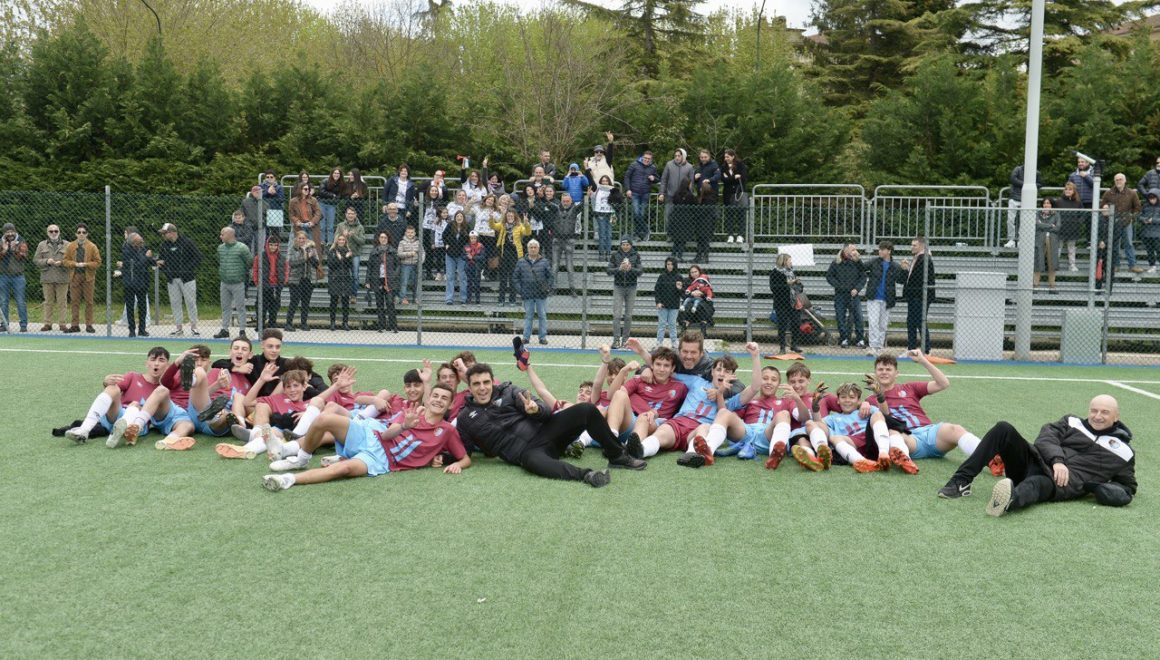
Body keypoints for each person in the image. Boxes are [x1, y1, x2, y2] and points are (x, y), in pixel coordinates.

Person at [938, 395, 1135, 517]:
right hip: (1035, 460)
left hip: (1059, 484)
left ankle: (1008, 501)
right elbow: (1047, 436)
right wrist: (1058, 460)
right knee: (1003, 429)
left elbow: (1127, 488)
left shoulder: (1124, 452)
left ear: (1116, 416)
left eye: (1105, 412)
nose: (1097, 416)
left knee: (1035, 484)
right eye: (1094, 410)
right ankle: (960, 482)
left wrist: (1096, 488)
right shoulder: (1071, 422)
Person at [456, 363, 646, 488]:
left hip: (547, 433)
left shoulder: (509, 391)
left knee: (586, 409)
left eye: (486, 382)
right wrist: (447, 458)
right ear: (469, 387)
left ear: (492, 381)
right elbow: (464, 451)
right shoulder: (465, 418)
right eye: (477, 384)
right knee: (531, 461)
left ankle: (617, 455)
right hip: (526, 453)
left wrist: (535, 410)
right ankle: (587, 475)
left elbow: (546, 412)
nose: (482, 388)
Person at [261, 384, 471, 491]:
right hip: (373, 437)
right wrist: (405, 426)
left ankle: (288, 480)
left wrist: (458, 464)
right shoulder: (412, 412)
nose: (438, 400)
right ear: (429, 397)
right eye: (435, 396)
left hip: (382, 460)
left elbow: (465, 458)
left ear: (451, 404)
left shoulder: (447, 431)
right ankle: (301, 459)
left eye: (444, 398)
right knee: (324, 419)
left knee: (344, 469)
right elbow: (387, 434)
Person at [863, 350, 984, 468]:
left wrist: (923, 361)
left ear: (897, 373)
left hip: (930, 433)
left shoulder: (910, 387)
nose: (884, 372)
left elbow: (943, 383)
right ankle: (906, 460)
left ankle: (989, 459)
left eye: (888, 369)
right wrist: (864, 404)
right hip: (908, 438)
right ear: (875, 373)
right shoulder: (870, 401)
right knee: (893, 435)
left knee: (955, 429)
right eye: (880, 369)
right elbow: (884, 415)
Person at [64, 346, 171, 444]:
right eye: (153, 359)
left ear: (168, 366)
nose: (156, 364)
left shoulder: (164, 390)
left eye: (161, 360)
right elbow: (111, 392)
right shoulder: (133, 377)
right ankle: (84, 430)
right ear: (146, 363)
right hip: (116, 416)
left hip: (136, 425)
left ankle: (119, 430)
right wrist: (106, 382)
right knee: (112, 388)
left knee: (135, 405)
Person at [156, 222, 201, 336]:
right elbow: (161, 260)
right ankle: (178, 328)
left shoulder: (187, 242)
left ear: (172, 232)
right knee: (175, 303)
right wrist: (165, 269)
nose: (163, 235)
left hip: (187, 279)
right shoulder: (164, 245)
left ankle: (194, 327)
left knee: (190, 302)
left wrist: (186, 270)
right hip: (172, 279)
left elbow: (198, 257)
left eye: (165, 233)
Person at [1100, 172, 1142, 276]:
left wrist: (1131, 217)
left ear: (1125, 181)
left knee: (1129, 243)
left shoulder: (1132, 193)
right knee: (1115, 245)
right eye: (1116, 180)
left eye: (1120, 179)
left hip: (1126, 222)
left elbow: (1138, 208)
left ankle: (1132, 265)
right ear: (1114, 181)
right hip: (1112, 223)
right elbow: (1102, 206)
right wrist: (1106, 209)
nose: (1118, 181)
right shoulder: (1108, 193)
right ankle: (1116, 265)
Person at [826, 243, 867, 348]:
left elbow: (863, 277)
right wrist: (839, 286)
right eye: (852, 249)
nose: (855, 251)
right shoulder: (836, 262)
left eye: (855, 249)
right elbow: (829, 276)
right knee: (840, 317)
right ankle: (844, 339)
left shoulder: (857, 262)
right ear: (845, 250)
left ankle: (860, 339)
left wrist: (857, 289)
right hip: (840, 295)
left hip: (854, 295)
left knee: (858, 316)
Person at [62, 224, 101, 334]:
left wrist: (86, 264)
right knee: (74, 301)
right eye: (79, 232)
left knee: (89, 302)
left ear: (87, 234)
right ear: (76, 234)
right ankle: (75, 325)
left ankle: (89, 325)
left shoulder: (92, 246)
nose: (81, 234)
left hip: (88, 277)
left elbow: (98, 262)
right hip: (75, 277)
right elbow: (65, 261)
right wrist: (74, 264)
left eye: (83, 232)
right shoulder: (71, 246)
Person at [215, 226, 252, 339]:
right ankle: (225, 329)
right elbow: (219, 260)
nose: (220, 236)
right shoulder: (220, 248)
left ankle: (242, 331)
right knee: (225, 307)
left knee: (240, 307)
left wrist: (240, 273)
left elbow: (249, 262)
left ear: (230, 235)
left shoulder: (242, 248)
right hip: (224, 282)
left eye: (222, 234)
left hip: (238, 282)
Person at [899, 236, 935, 354]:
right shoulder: (919, 258)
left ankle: (925, 350)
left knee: (919, 321)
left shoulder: (924, 259)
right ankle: (912, 349)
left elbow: (918, 278)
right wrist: (907, 269)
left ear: (922, 246)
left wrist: (906, 269)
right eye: (912, 245)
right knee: (912, 322)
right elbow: (913, 277)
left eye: (914, 245)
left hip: (919, 296)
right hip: (914, 296)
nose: (912, 247)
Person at [513, 239, 552, 345]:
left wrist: (547, 288)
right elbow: (515, 278)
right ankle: (526, 338)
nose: (533, 249)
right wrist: (521, 290)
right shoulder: (521, 262)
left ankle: (542, 338)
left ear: (538, 249)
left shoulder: (545, 262)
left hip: (541, 294)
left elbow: (550, 277)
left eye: (535, 247)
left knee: (542, 316)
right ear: (528, 249)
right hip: (527, 293)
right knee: (528, 316)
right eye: (531, 247)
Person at [864, 240, 899, 355]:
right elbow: (862, 267)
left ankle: (879, 347)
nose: (879, 251)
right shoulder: (874, 262)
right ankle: (873, 347)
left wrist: (904, 270)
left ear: (889, 251)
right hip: (874, 298)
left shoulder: (894, 266)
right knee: (873, 322)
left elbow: (901, 280)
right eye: (879, 249)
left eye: (882, 249)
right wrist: (857, 259)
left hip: (887, 299)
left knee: (882, 325)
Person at [607, 236, 642, 349]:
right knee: (616, 315)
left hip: (631, 287)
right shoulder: (615, 255)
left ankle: (625, 341)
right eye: (623, 244)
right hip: (619, 287)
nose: (625, 246)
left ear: (631, 245)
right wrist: (619, 268)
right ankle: (616, 340)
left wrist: (631, 269)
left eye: (627, 245)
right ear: (620, 245)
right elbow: (608, 270)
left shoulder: (636, 255)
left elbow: (640, 271)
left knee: (628, 316)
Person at [118, 233, 154, 337]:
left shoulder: (142, 248)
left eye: (142, 241)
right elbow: (136, 266)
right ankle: (132, 330)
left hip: (142, 282)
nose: (142, 243)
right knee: (130, 307)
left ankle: (142, 329)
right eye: (140, 241)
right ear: (134, 243)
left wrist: (155, 261)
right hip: (130, 282)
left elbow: (147, 262)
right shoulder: (126, 251)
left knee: (142, 306)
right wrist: (146, 257)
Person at [34, 224, 69, 331]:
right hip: (47, 277)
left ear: (59, 232)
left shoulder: (67, 244)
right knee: (48, 302)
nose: (54, 233)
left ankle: (62, 324)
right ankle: (47, 324)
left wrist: (62, 262)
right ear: (47, 233)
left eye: (56, 231)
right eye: (51, 231)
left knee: (62, 302)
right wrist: (46, 261)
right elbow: (36, 260)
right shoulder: (41, 245)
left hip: (62, 277)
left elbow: (72, 260)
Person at [491, 209, 529, 306]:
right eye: (508, 216)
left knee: (513, 278)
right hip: (504, 254)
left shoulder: (519, 226)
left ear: (515, 216)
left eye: (512, 215)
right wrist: (491, 218)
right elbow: (493, 226)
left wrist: (526, 223)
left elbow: (527, 232)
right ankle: (501, 300)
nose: (510, 217)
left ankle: (512, 300)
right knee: (503, 278)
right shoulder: (502, 225)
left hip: (515, 255)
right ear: (506, 217)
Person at [658, 148, 694, 249]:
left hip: (683, 198)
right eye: (675, 156)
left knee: (682, 219)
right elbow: (664, 180)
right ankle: (670, 235)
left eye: (679, 155)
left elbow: (691, 183)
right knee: (668, 216)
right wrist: (661, 193)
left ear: (684, 156)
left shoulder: (690, 167)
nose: (677, 157)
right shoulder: (669, 165)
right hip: (670, 196)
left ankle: (683, 237)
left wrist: (689, 195)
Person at [251, 234, 288, 330]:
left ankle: (272, 324)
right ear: (267, 245)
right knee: (261, 306)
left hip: (276, 286)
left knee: (274, 307)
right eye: (271, 245)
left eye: (275, 245)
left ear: (278, 246)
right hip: (263, 285)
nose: (273, 247)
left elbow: (286, 270)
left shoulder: (282, 258)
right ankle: (260, 325)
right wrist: (257, 283)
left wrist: (283, 282)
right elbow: (255, 270)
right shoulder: (259, 257)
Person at [285, 231, 320, 331]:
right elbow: (292, 263)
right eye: (299, 238)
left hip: (308, 279)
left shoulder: (312, 249)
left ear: (306, 239)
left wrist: (310, 257)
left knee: (306, 302)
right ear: (296, 239)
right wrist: (305, 257)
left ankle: (303, 323)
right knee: (294, 301)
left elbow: (316, 263)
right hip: (295, 279)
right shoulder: (293, 248)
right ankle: (288, 323)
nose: (301, 240)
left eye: (303, 238)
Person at [365, 230, 399, 332]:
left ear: (388, 239)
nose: (383, 239)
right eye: (381, 237)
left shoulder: (392, 251)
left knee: (390, 303)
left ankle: (393, 326)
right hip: (377, 280)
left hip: (389, 280)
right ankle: (381, 325)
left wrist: (393, 276)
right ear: (378, 239)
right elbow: (369, 267)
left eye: (385, 237)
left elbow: (398, 266)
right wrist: (367, 281)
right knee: (379, 304)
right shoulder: (374, 252)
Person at [0, 222, 30, 333]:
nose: (10, 234)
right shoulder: (1, 242)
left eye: (12, 231)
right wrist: (4, 250)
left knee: (20, 301)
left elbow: (24, 256)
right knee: (3, 301)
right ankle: (4, 324)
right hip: (3, 276)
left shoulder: (21, 241)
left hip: (18, 277)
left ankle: (23, 325)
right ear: (4, 233)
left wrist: (14, 249)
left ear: (15, 231)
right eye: (7, 232)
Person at [623, 150, 658, 241]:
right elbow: (627, 177)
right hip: (634, 193)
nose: (647, 160)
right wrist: (628, 189)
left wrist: (653, 178)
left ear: (651, 159)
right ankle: (646, 230)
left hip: (645, 194)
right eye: (645, 158)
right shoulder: (634, 165)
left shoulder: (653, 168)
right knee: (636, 213)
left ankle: (637, 235)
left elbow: (658, 179)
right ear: (642, 157)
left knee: (641, 215)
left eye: (649, 159)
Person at [550, 193, 581, 295]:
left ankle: (572, 288)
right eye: (564, 201)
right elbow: (546, 203)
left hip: (569, 240)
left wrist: (589, 197)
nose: (566, 203)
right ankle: (553, 288)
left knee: (569, 266)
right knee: (555, 266)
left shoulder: (575, 209)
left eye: (567, 201)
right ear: (561, 201)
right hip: (557, 240)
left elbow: (583, 205)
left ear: (571, 201)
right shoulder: (555, 208)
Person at [769, 253, 800, 353]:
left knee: (796, 323)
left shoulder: (792, 272)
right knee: (782, 325)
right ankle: (782, 347)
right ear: (784, 262)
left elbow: (799, 287)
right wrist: (788, 284)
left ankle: (794, 345)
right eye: (789, 261)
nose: (791, 262)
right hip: (781, 303)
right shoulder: (775, 273)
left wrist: (798, 284)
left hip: (793, 302)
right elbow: (774, 288)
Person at [1005, 164, 1039, 248]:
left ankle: (1021, 240)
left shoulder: (1036, 172)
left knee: (1024, 221)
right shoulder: (1018, 169)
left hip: (1027, 199)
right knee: (1010, 220)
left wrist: (1030, 186)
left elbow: (1040, 183)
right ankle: (1011, 240)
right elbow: (1013, 179)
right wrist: (1026, 184)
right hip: (1014, 198)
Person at [1054, 181, 1086, 272]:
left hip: (1073, 229)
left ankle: (1072, 265)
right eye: (1066, 189)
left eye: (1070, 189)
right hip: (1060, 228)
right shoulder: (1059, 201)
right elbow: (1054, 213)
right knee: (1058, 247)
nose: (1068, 191)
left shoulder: (1078, 202)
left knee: (1071, 248)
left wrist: (1078, 222)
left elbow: (1083, 214)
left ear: (1074, 191)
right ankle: (1055, 265)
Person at [327, 233, 355, 331]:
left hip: (345, 279)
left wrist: (346, 257)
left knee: (345, 302)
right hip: (335, 279)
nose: (341, 241)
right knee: (333, 301)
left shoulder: (348, 251)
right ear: (336, 241)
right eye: (340, 239)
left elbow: (350, 266)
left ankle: (345, 323)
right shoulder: (332, 251)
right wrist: (338, 259)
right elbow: (331, 265)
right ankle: (332, 323)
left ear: (345, 241)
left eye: (343, 240)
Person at [720, 149, 749, 243]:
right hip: (728, 194)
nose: (726, 158)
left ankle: (740, 235)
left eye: (727, 157)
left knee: (741, 215)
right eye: (725, 157)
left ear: (733, 156)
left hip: (739, 192)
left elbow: (743, 177)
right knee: (729, 215)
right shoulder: (723, 167)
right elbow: (723, 180)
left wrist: (729, 178)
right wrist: (734, 177)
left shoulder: (740, 165)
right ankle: (730, 235)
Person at [1033, 198, 1061, 293]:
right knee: (1038, 260)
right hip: (1040, 239)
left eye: (1048, 203)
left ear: (1051, 205)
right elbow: (1037, 225)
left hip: (1052, 240)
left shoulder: (1056, 214)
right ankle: (1035, 285)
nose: (1046, 205)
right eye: (1044, 203)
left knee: (1052, 262)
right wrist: (1050, 225)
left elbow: (1057, 228)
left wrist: (1043, 225)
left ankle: (1052, 286)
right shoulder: (1037, 213)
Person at [443, 211, 470, 304]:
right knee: (450, 277)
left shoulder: (467, 227)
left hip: (461, 256)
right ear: (455, 217)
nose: (459, 218)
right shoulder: (450, 225)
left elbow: (469, 240)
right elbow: (444, 235)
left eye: (461, 216)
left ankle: (463, 298)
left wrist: (466, 250)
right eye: (457, 216)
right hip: (450, 255)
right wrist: (446, 244)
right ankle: (449, 298)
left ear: (463, 218)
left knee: (462, 277)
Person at [654, 256, 682, 347]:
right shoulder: (662, 276)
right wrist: (658, 302)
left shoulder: (679, 277)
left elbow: (682, 293)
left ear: (675, 265)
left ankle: (674, 342)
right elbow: (657, 290)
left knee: (672, 324)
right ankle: (659, 342)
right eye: (668, 264)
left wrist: (679, 288)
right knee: (661, 324)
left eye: (672, 264)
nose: (670, 266)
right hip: (663, 305)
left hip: (674, 305)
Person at [679, 264, 714, 337]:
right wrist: (691, 293)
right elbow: (684, 295)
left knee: (701, 306)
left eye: (695, 272)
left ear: (699, 271)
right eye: (692, 272)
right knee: (689, 306)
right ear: (690, 273)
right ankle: (684, 329)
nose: (694, 274)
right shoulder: (687, 281)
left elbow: (710, 293)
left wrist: (702, 293)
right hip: (690, 302)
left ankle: (703, 332)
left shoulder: (704, 280)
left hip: (702, 301)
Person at [592, 175, 619, 260]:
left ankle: (608, 253)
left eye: (606, 181)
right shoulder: (597, 189)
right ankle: (601, 254)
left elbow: (618, 200)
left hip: (610, 214)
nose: (604, 182)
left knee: (609, 235)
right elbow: (593, 197)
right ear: (600, 181)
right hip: (600, 214)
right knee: (602, 235)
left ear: (609, 182)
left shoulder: (612, 189)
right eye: (603, 181)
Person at [316, 167, 344, 245]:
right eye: (335, 173)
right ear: (332, 174)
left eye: (338, 173)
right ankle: (322, 241)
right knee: (322, 225)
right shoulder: (325, 181)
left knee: (330, 226)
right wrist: (332, 195)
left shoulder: (341, 184)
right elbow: (321, 192)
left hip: (332, 205)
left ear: (340, 175)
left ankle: (330, 242)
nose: (336, 175)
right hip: (322, 204)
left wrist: (335, 199)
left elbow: (340, 195)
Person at [693, 178, 717, 263]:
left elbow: (702, 211)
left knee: (704, 240)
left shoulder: (708, 200)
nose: (700, 189)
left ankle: (703, 257)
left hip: (705, 223)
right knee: (701, 240)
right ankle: (700, 256)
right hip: (705, 223)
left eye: (701, 188)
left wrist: (696, 213)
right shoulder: (708, 198)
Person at [1139, 187, 1160, 273]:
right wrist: (1144, 220)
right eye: (1150, 198)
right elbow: (1139, 216)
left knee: (1158, 250)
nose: (1152, 200)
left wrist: (1153, 220)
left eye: (1154, 198)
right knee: (1149, 251)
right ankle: (1152, 266)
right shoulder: (1145, 206)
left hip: (1157, 234)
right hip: (1146, 233)